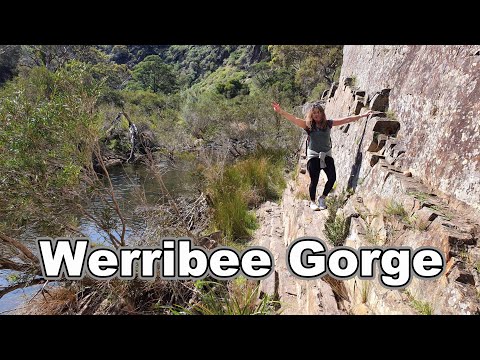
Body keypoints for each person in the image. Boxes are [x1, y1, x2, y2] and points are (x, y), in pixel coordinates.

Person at [272, 101, 376, 211]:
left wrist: (362, 115)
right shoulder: (308, 126)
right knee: (314, 180)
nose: (316, 114)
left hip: (326, 155)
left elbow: (346, 120)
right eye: (314, 113)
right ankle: (312, 202)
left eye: (318, 112)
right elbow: (294, 119)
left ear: (322, 113)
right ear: (311, 115)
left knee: (332, 178)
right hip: (313, 156)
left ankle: (322, 198)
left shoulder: (328, 124)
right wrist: (281, 112)